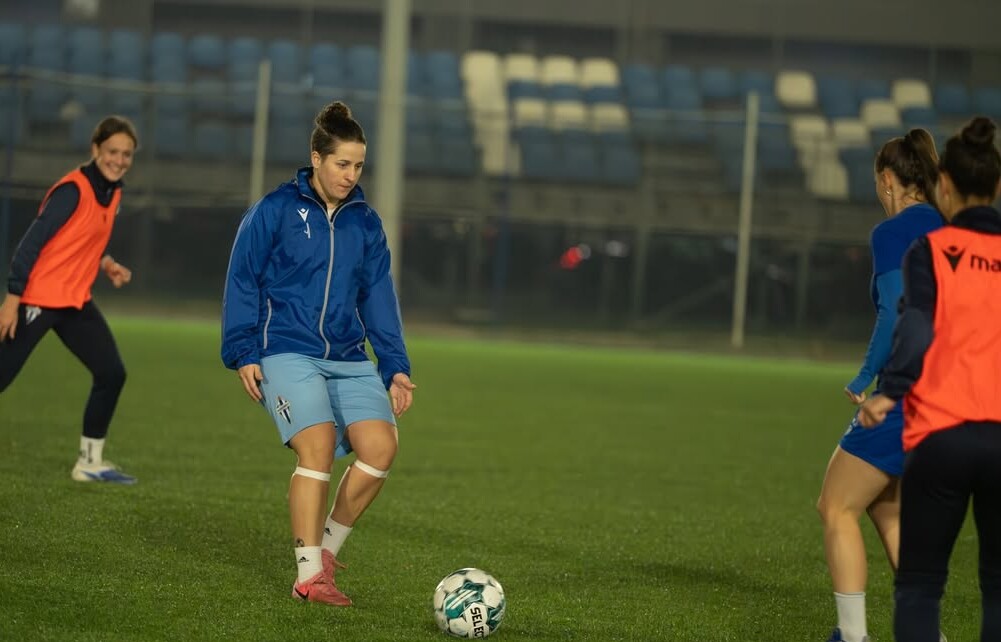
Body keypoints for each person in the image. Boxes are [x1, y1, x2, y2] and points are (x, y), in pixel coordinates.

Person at [221, 100, 416, 607]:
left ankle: (326, 551)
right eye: (342, 164)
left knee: (381, 449)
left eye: (359, 166)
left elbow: (378, 298)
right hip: (286, 349)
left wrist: (395, 367)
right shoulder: (275, 210)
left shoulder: (365, 224)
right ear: (316, 158)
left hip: (348, 355)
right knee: (319, 447)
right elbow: (242, 279)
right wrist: (243, 349)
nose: (351, 175)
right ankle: (307, 577)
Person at [859, 116, 1001, 642]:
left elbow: (916, 327)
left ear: (945, 185)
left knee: (920, 587)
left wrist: (890, 391)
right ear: (997, 186)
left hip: (941, 434)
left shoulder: (932, 251)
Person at [817, 129, 944, 642]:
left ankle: (853, 637)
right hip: (948, 394)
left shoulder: (891, 233)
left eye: (877, 182)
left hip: (906, 391)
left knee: (835, 506)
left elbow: (895, 312)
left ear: (888, 180)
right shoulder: (949, 227)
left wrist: (866, 376)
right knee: (885, 505)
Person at [0, 115, 138, 484]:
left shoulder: (113, 192)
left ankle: (89, 463)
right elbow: (30, 246)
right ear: (95, 149)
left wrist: (106, 264)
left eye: (126, 154)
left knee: (111, 373)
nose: (118, 160)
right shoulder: (72, 190)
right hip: (37, 298)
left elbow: (81, 239)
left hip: (74, 302)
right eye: (112, 151)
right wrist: (12, 300)